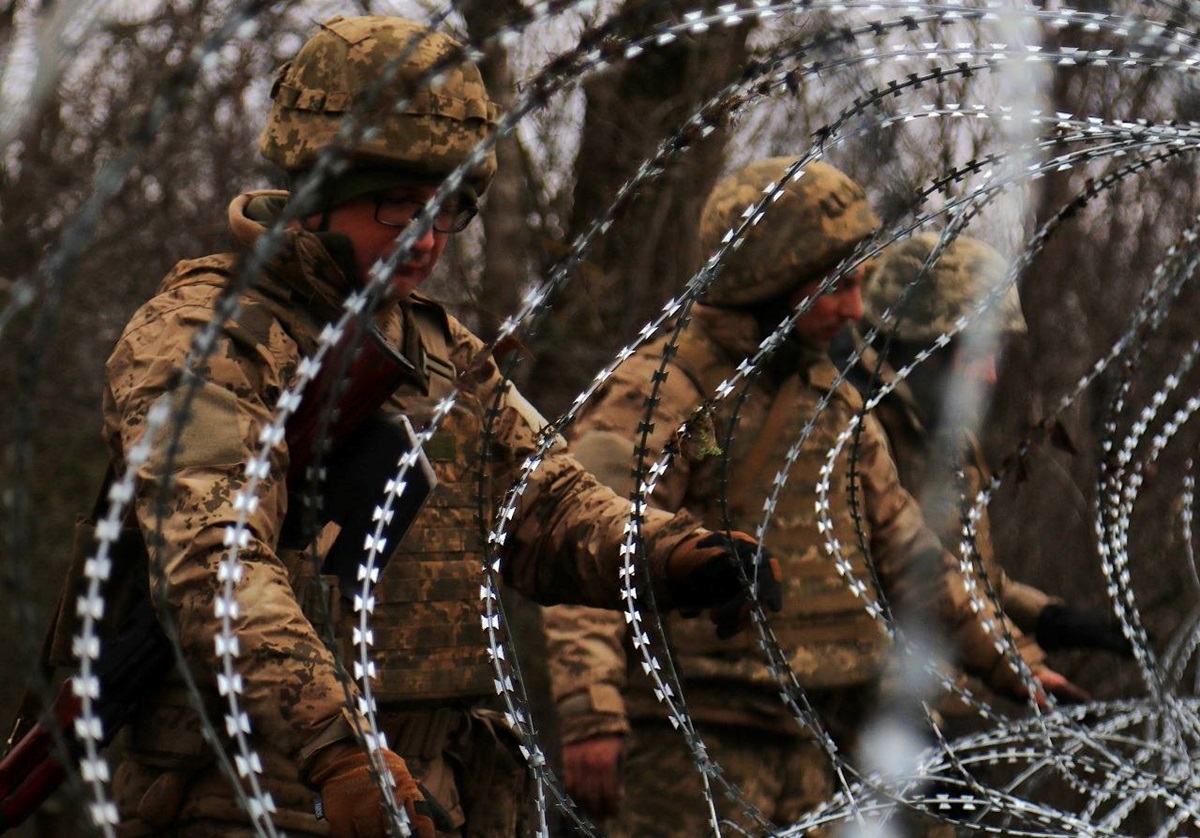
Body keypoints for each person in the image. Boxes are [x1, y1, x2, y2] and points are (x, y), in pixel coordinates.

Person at [93, 16, 779, 837]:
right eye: (397, 204)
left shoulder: (437, 346)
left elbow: (545, 504)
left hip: (429, 782)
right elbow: (213, 560)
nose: (425, 238)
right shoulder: (206, 338)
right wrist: (336, 747)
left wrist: (674, 556)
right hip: (254, 790)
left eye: (448, 206)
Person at [542, 158, 1085, 836]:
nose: (855, 310)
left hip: (811, 740)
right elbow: (589, 551)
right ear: (770, 280)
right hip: (691, 749)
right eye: (836, 287)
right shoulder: (661, 393)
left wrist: (1019, 666)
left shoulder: (831, 405)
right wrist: (592, 714)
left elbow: (911, 558)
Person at [836, 232, 1130, 731]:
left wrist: (1048, 618)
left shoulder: (949, 439)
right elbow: (893, 581)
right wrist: (1014, 662)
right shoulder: (852, 428)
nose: (990, 374)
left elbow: (969, 577)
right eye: (976, 351)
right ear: (926, 344)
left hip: (945, 709)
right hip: (865, 719)